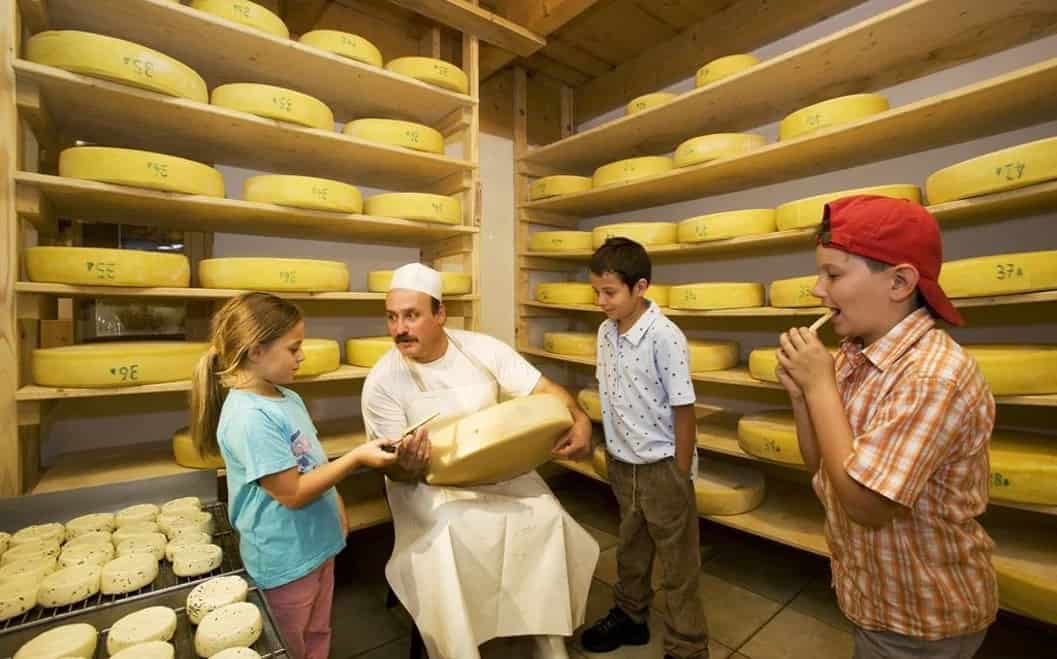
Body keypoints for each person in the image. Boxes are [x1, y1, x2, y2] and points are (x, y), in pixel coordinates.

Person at [775, 196, 997, 659]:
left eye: (833, 275)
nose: (818, 289)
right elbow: (820, 463)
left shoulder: (933, 377)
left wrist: (819, 388)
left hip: (921, 618)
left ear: (899, 282)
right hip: (877, 598)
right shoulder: (855, 354)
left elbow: (867, 506)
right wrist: (802, 396)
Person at [360, 262, 600, 659]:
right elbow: (396, 473)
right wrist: (409, 464)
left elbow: (544, 388)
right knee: (455, 528)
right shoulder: (383, 382)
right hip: (425, 484)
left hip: (498, 469)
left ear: (440, 315)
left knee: (546, 513)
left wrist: (580, 419)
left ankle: (545, 637)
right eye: (392, 317)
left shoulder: (484, 349)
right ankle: (461, 644)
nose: (399, 328)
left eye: (412, 315)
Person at [190, 292, 398, 659]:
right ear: (256, 351)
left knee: (318, 631)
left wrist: (336, 506)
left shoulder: (287, 398)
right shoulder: (249, 418)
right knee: (290, 644)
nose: (301, 356)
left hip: (317, 544)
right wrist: (356, 459)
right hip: (285, 559)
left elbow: (312, 462)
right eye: (293, 348)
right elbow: (292, 492)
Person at [580, 237, 710, 659]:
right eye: (596, 292)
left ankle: (689, 646)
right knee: (631, 549)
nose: (601, 301)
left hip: (661, 467)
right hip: (624, 464)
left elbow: (683, 407)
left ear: (641, 287)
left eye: (610, 293)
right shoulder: (605, 331)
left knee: (678, 564)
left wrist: (679, 468)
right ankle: (631, 617)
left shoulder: (664, 337)